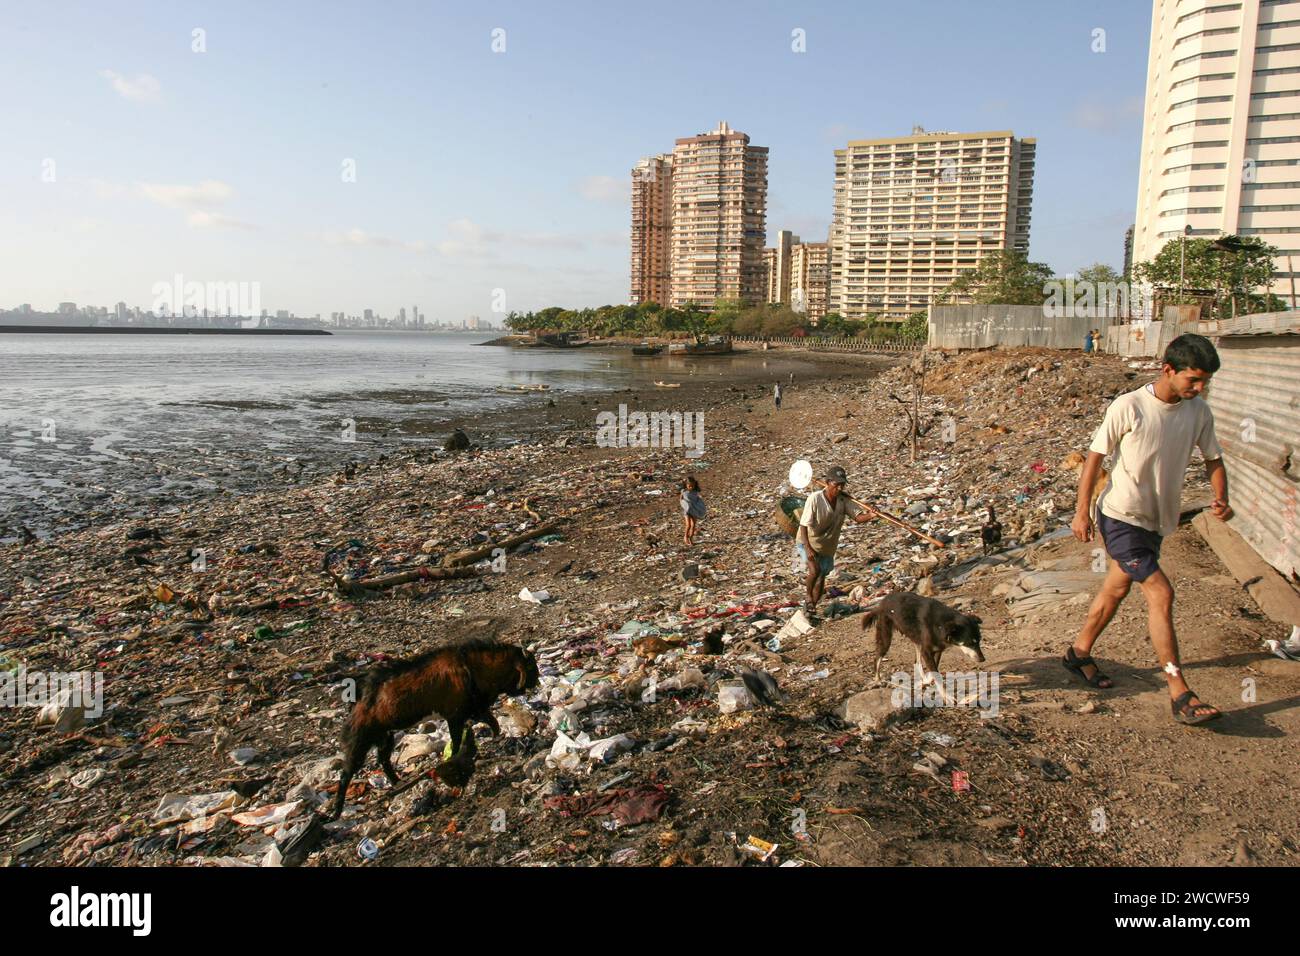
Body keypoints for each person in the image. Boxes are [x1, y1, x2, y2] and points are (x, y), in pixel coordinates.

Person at [1066, 333, 1231, 726]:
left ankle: (1078, 652)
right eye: (1193, 379)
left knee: (1116, 587)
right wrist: (1081, 512)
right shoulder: (1131, 406)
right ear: (1168, 370)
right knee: (1161, 592)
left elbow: (1213, 458)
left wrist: (1221, 497)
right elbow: (1094, 458)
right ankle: (1179, 692)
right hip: (1121, 516)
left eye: (1205, 381)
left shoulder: (1198, 412)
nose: (1199, 387)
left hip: (1157, 519)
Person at [797, 465, 874, 619]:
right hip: (808, 541)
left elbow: (858, 518)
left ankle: (811, 608)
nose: (839, 488)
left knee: (821, 577)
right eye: (836, 484)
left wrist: (872, 515)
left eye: (842, 485)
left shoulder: (843, 500)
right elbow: (803, 525)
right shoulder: (815, 498)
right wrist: (808, 548)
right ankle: (808, 598)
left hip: (828, 545)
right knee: (814, 570)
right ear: (828, 483)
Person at [680, 475, 705, 546]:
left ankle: (691, 539)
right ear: (686, 485)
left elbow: (697, 499)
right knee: (688, 525)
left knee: (693, 525)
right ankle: (685, 537)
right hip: (687, 510)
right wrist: (684, 506)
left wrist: (700, 502)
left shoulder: (695, 491)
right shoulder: (683, 491)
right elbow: (681, 500)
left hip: (694, 509)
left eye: (692, 486)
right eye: (689, 486)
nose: (691, 487)